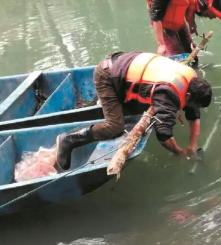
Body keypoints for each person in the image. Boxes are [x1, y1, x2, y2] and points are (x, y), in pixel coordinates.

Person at [56, 52, 212, 170]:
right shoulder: (169, 92)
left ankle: (110, 103)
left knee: (146, 108)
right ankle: (69, 139)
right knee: (115, 126)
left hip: (123, 64)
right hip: (107, 75)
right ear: (189, 95)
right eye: (194, 104)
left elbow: (193, 113)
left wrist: (193, 145)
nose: (194, 109)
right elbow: (164, 134)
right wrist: (179, 152)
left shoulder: (190, 77)